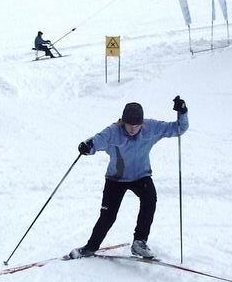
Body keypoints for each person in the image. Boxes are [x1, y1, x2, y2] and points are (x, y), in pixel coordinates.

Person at [69, 97, 189, 259]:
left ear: (142, 123)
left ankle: (139, 242)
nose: (133, 129)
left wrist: (182, 112)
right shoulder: (113, 131)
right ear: (122, 122)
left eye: (136, 125)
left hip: (141, 176)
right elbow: (97, 141)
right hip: (116, 179)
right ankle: (90, 247)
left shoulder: (150, 128)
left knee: (150, 199)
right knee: (108, 216)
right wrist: (87, 146)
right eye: (129, 124)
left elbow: (178, 129)